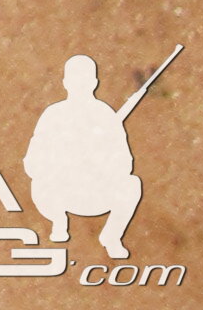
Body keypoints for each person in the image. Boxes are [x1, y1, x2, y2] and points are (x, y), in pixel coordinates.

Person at [25, 55, 145, 259]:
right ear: (66, 83)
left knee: (132, 185)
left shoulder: (105, 116)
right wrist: (59, 164)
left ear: (94, 83)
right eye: (75, 80)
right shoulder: (53, 115)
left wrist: (99, 162)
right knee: (40, 184)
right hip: (59, 194)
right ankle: (59, 222)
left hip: (96, 193)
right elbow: (32, 161)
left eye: (85, 80)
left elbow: (125, 162)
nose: (80, 85)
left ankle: (112, 236)